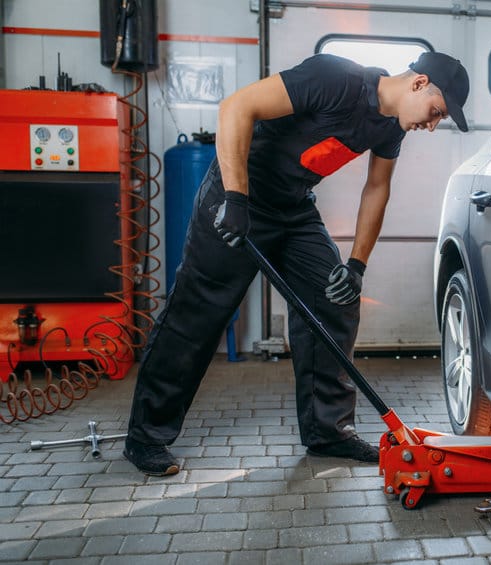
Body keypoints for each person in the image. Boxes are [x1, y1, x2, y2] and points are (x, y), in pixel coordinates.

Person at [123, 51, 470, 475]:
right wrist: (235, 196)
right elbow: (237, 106)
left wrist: (357, 265)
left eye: (440, 120)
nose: (432, 125)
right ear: (419, 83)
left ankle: (327, 432)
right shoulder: (335, 78)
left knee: (334, 301)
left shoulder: (389, 128)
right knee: (198, 311)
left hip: (293, 207)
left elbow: (377, 188)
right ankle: (146, 436)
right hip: (238, 197)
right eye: (436, 113)